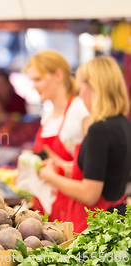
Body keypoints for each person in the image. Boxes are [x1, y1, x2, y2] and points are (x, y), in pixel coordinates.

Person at [39, 56, 131, 232]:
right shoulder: (123, 124)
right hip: (115, 221)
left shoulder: (99, 129)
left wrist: (51, 177)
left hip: (95, 226)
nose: (80, 96)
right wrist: (62, 165)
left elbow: (89, 194)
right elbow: (102, 170)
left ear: (94, 88)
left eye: (81, 89)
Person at [24, 50, 90, 222]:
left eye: (38, 79)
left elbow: (93, 168)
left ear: (58, 75)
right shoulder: (48, 116)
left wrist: (58, 168)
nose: (34, 86)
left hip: (75, 210)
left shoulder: (80, 110)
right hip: (47, 207)